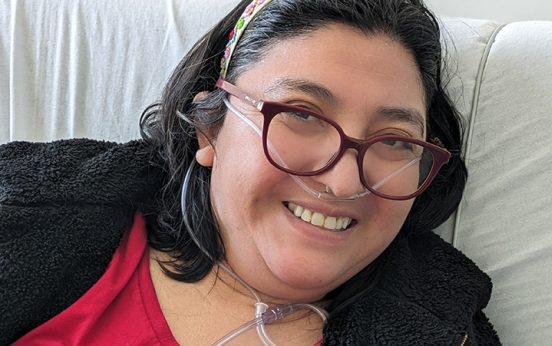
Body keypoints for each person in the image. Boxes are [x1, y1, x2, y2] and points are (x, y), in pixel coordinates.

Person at [0, 0, 500, 344]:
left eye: (393, 141)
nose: (344, 182)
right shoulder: (36, 226)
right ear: (209, 130)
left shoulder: (444, 328)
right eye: (301, 115)